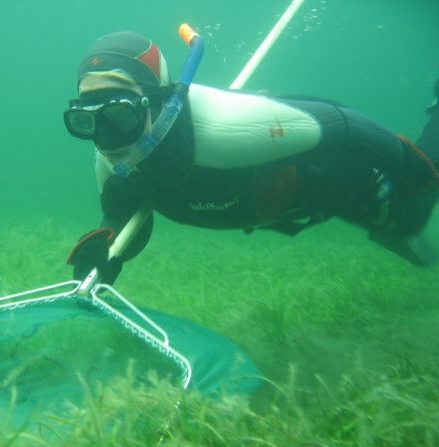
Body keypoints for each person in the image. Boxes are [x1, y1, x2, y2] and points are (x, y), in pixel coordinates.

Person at [64, 31, 439, 285]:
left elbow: (347, 126)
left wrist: (413, 172)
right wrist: (108, 248)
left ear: (161, 101)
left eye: (120, 115)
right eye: (88, 121)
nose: (107, 140)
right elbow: (124, 214)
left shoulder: (227, 130)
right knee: (404, 237)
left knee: (409, 216)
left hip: (336, 175)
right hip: (283, 203)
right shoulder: (110, 158)